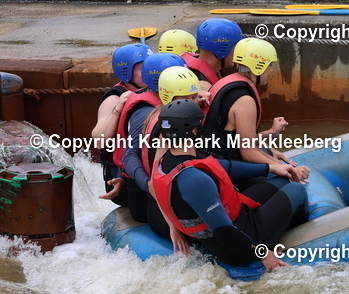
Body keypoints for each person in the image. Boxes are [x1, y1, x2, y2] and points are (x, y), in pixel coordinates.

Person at [150, 99, 308, 273]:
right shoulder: (194, 179)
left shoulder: (166, 161)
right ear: (193, 131)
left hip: (235, 217)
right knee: (297, 189)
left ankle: (273, 217)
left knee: (282, 180)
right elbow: (224, 231)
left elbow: (226, 166)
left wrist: (271, 167)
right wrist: (262, 253)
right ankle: (296, 228)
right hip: (238, 245)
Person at [103, 52, 186, 220]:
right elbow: (130, 155)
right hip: (143, 197)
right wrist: (149, 185)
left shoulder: (164, 101)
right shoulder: (145, 112)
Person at [202, 37, 300, 176]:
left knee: (267, 151)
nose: (271, 70)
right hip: (224, 170)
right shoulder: (244, 100)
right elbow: (248, 153)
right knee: (294, 189)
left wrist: (271, 135)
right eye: (269, 65)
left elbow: (244, 141)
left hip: (213, 161)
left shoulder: (227, 82)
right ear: (258, 66)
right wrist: (289, 169)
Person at [93, 43, 151, 204]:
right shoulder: (115, 98)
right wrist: (118, 110)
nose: (148, 73)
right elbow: (99, 141)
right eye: (142, 69)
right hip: (119, 175)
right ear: (126, 72)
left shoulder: (153, 90)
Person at [183, 18, 244, 87]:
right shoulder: (202, 85)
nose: (238, 51)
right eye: (236, 46)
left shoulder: (192, 65)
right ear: (222, 49)